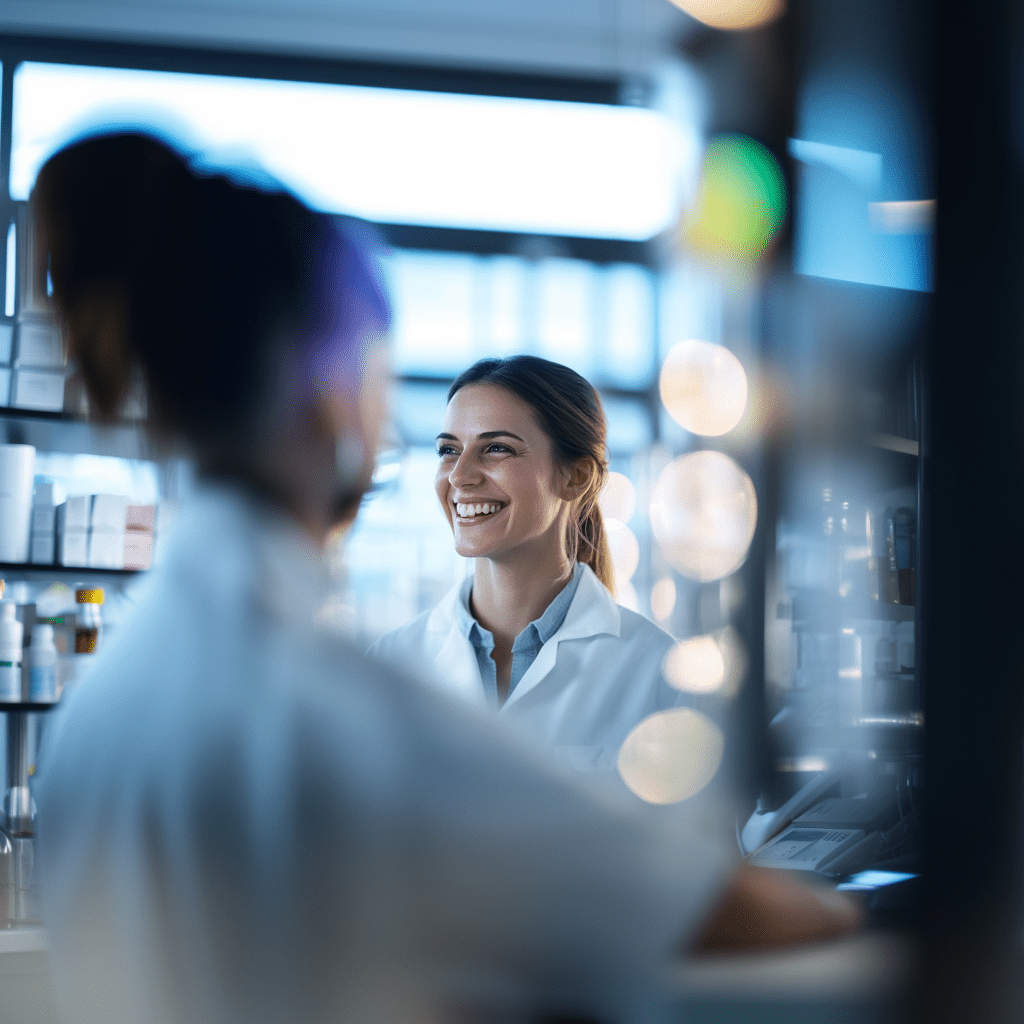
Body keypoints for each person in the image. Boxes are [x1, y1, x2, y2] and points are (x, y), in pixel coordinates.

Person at [33, 130, 859, 1024]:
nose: (456, 474)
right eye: (389, 384)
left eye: (495, 450)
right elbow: (721, 916)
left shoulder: (105, 704)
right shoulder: (343, 705)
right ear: (332, 392)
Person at [371, 356, 681, 773]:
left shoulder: (659, 675)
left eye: (496, 448)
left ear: (576, 478)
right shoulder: (392, 664)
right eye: (448, 450)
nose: (460, 476)